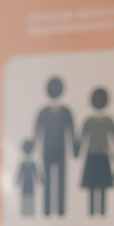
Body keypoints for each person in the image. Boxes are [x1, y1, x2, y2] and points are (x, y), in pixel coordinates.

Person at [32, 76, 78, 217]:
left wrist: (75, 150)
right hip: (47, 151)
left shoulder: (65, 112)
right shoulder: (44, 112)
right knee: (47, 181)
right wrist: (33, 148)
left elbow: (71, 132)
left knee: (61, 181)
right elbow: (37, 133)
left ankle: (60, 209)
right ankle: (46, 209)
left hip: (60, 151)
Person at [79, 86, 114, 217]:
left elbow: (82, 140)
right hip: (98, 156)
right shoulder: (107, 121)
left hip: (97, 156)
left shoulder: (90, 121)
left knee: (98, 186)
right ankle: (97, 212)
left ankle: (96, 212)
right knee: (97, 186)